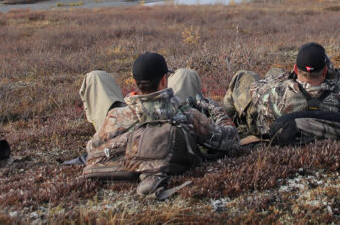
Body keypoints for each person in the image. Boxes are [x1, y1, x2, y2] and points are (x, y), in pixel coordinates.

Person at [82, 52, 238, 195]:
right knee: (186, 75)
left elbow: (92, 149)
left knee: (96, 77)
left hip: (125, 126)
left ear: (136, 82)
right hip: (174, 126)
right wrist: (215, 109)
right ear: (164, 80)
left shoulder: (116, 117)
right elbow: (229, 139)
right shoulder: (187, 115)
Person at [223, 42, 340, 138]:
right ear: (325, 71)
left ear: (295, 69)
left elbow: (255, 89)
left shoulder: (276, 95)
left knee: (244, 76)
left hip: (264, 126)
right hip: (311, 124)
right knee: (274, 71)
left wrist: (286, 77)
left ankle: (230, 122)